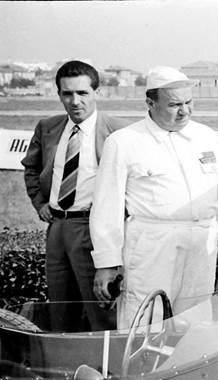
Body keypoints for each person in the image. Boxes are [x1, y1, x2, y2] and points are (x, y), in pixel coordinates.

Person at [90, 66, 218, 329]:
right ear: (150, 103)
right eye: (174, 105)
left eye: (188, 102)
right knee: (145, 319)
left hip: (201, 243)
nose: (184, 111)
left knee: (195, 321)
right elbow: (107, 207)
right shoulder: (124, 142)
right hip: (151, 245)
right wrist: (107, 263)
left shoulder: (206, 137)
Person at [22, 60, 128, 331]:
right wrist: (40, 203)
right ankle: (68, 367)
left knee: (102, 308)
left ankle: (108, 369)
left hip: (93, 230)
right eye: (67, 93)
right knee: (60, 308)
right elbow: (31, 168)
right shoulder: (48, 127)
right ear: (58, 94)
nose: (74, 101)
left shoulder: (120, 132)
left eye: (82, 93)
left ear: (97, 93)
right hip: (57, 229)